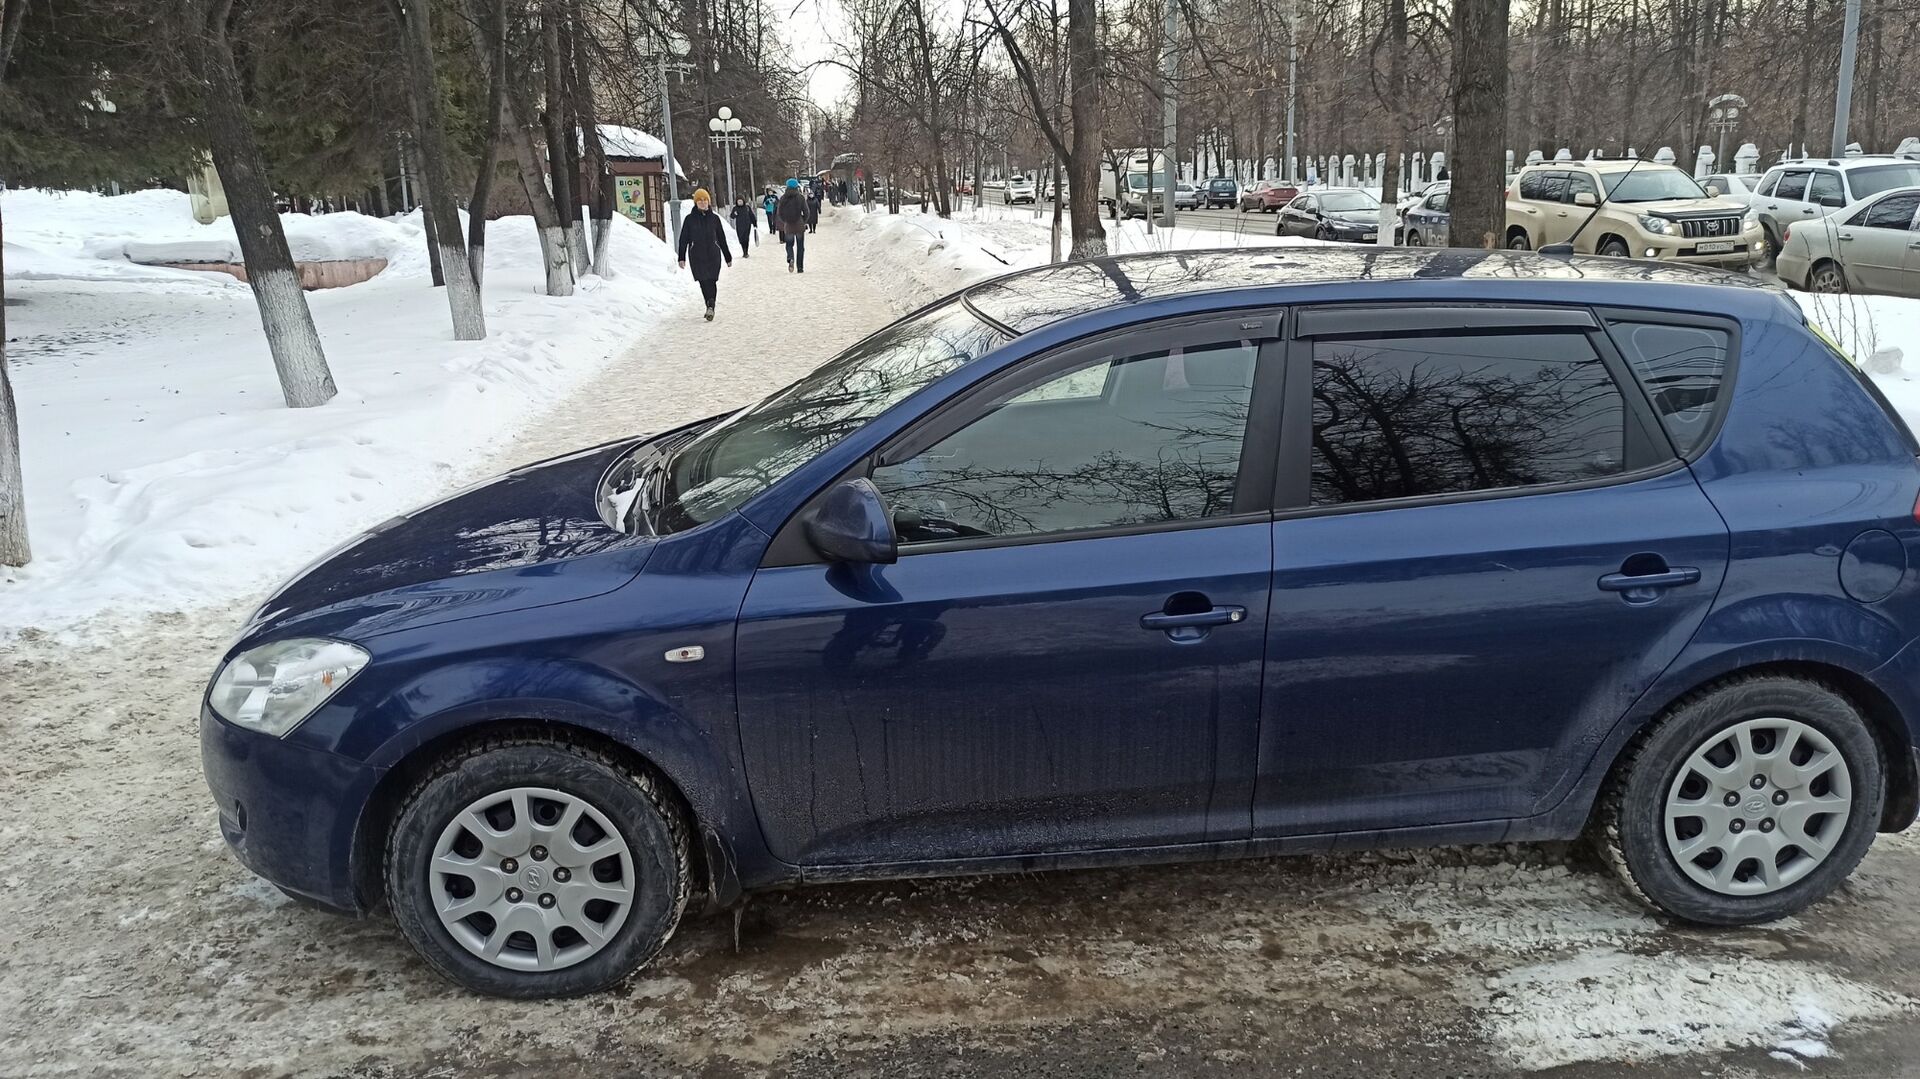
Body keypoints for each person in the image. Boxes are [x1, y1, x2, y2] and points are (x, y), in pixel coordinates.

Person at [676, 188, 732, 320]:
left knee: (712, 280)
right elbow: (683, 239)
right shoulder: (689, 220)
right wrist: (681, 257)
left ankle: (711, 305)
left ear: (709, 201)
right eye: (700, 200)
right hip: (697, 256)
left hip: (713, 254)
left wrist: (727, 256)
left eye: (705, 200)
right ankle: (709, 305)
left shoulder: (715, 219)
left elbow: (721, 238)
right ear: (695, 202)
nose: (703, 202)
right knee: (703, 281)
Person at [776, 178, 809, 273]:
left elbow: (779, 213)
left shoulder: (783, 198)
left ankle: (790, 258)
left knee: (789, 245)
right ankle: (800, 267)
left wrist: (785, 221)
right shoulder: (801, 197)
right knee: (800, 247)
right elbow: (806, 211)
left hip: (788, 225)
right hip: (799, 224)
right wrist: (804, 220)